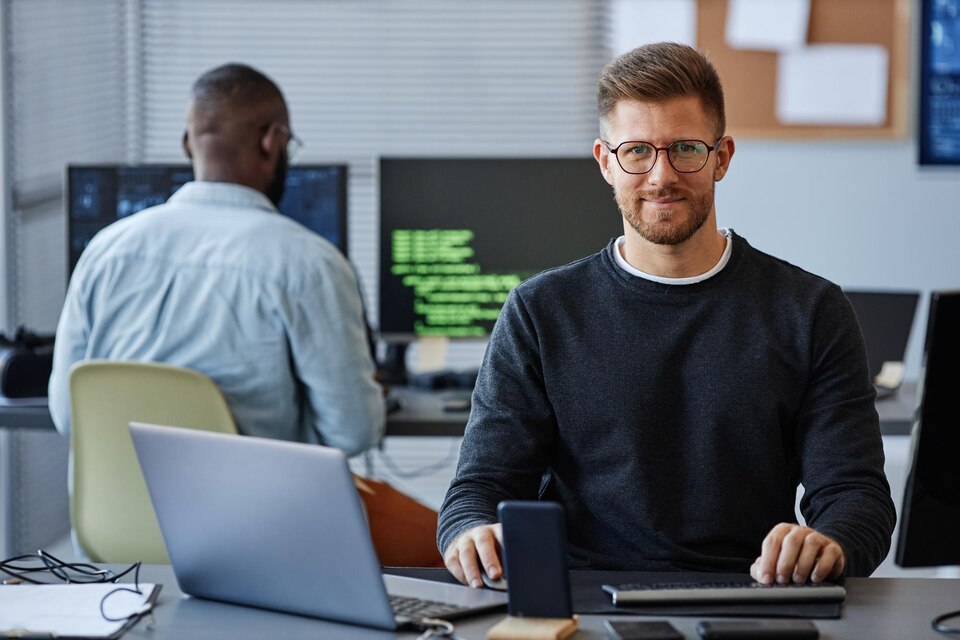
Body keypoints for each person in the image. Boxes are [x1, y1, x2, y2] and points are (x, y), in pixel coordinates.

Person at [437, 42, 896, 589]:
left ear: (721, 157)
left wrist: (830, 543)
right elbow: (479, 488)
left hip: (753, 597)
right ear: (606, 162)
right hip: (583, 597)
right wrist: (470, 531)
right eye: (636, 151)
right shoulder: (540, 312)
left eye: (684, 148)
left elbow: (857, 496)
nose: (660, 176)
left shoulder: (811, 310)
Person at [49, 63, 384, 458]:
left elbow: (68, 414)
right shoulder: (310, 265)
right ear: (272, 141)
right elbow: (355, 432)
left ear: (188, 144)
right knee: (423, 521)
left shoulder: (104, 252)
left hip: (112, 521)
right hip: (261, 519)